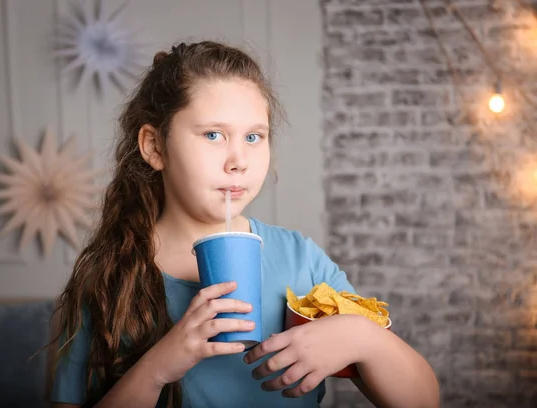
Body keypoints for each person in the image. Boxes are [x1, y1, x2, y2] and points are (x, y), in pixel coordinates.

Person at [49, 40, 439, 408]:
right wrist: (157, 368)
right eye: (213, 135)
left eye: (254, 136)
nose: (238, 159)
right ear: (154, 146)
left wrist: (362, 337)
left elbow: (424, 401)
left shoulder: (301, 261)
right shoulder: (107, 278)